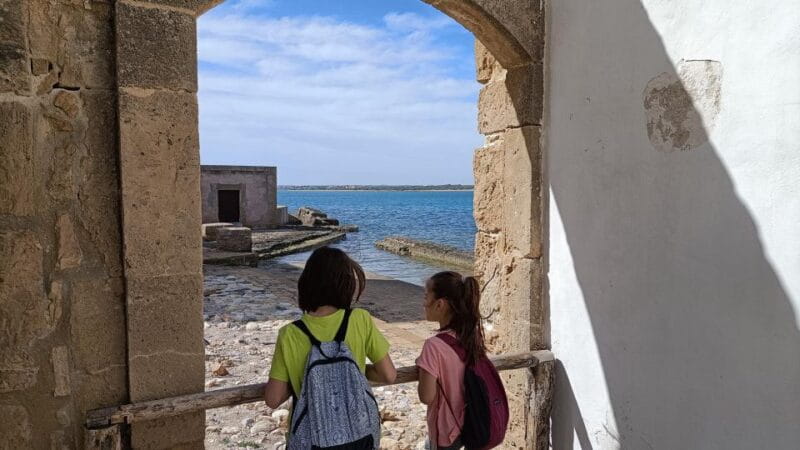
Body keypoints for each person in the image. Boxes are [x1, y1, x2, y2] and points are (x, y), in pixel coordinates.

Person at [264, 246, 396, 448]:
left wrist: (305, 379)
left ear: (307, 282)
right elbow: (388, 375)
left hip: (313, 440)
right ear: (346, 284)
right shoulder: (360, 319)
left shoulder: (289, 334)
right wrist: (358, 372)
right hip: (359, 436)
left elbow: (273, 399)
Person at [416, 271, 487, 450]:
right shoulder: (472, 336)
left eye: (426, 297)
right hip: (470, 421)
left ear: (440, 304)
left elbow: (426, 396)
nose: (423, 303)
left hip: (445, 429)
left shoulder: (433, 346)